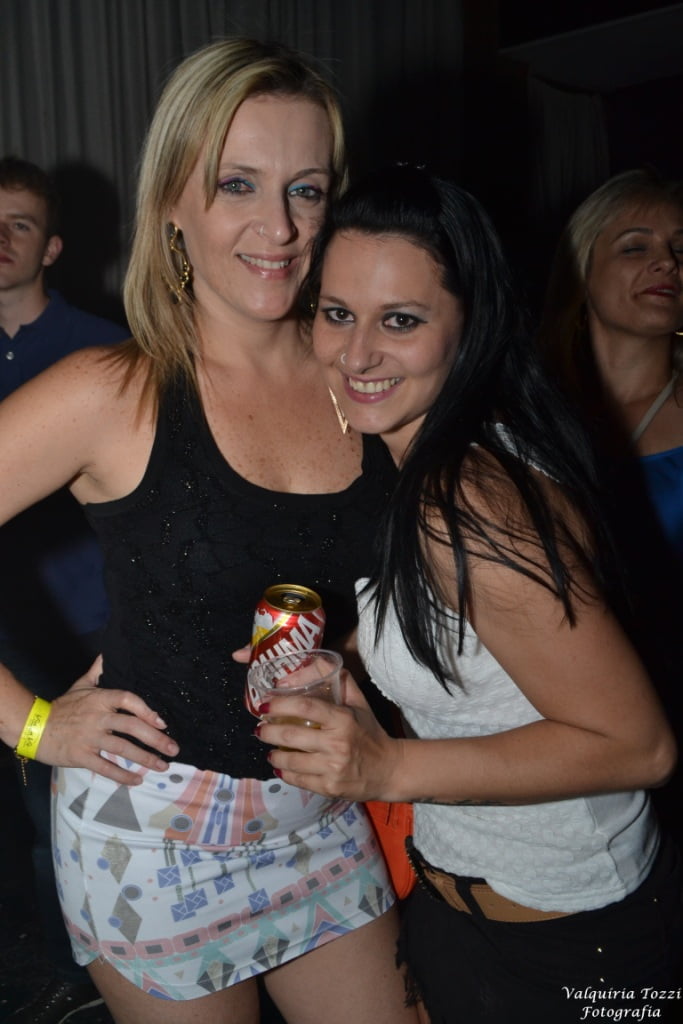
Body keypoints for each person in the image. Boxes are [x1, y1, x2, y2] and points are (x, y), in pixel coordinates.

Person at [0, 40, 416, 1024]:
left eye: (306, 189)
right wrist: (33, 724)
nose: (279, 226)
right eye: (238, 184)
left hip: (322, 817)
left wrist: (353, 661)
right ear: (173, 206)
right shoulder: (114, 392)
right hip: (151, 839)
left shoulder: (362, 379)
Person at [253, 166, 682, 1023]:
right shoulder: (444, 452)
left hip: (570, 944)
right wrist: (338, 662)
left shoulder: (466, 500)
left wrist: (385, 767)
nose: (356, 354)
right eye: (336, 313)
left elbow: (638, 746)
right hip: (474, 908)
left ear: (470, 322)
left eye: (400, 320)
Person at [0, 154, 131, 1023]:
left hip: (82, 622)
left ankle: (81, 974)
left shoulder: (104, 351)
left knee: (64, 806)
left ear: (51, 247)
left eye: (19, 224)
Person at [537, 168, 683, 849]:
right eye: (635, 245)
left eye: (680, 249)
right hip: (553, 719)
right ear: (580, 269)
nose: (666, 263)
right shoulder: (523, 410)